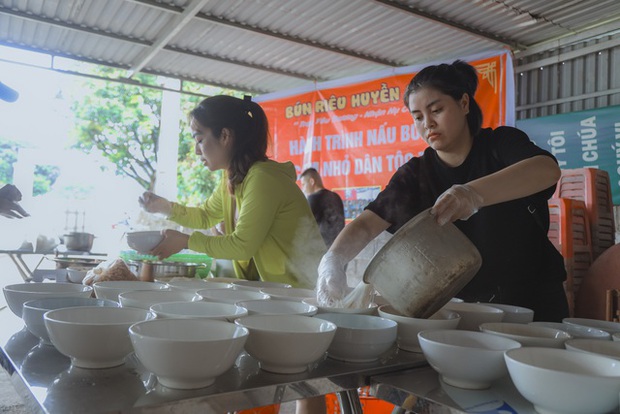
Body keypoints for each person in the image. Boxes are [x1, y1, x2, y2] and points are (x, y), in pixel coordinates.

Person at [317, 60, 570, 323]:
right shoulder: (415, 175)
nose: (428, 123)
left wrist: (472, 193)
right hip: (463, 312)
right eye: (417, 117)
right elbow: (366, 225)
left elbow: (546, 170)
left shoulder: (500, 145)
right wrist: (333, 261)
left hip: (532, 307)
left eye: (436, 110)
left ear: (463, 104)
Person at [139, 95, 326, 289]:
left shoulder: (263, 179)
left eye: (200, 139)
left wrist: (186, 241)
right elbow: (205, 216)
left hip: (304, 291)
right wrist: (165, 208)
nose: (196, 150)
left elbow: (241, 246)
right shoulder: (233, 179)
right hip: (281, 292)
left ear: (225, 136)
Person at [299, 167, 345, 248]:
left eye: (303, 185)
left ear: (312, 181)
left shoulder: (313, 199)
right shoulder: (335, 196)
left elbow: (304, 226)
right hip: (339, 247)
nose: (303, 189)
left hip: (321, 250)